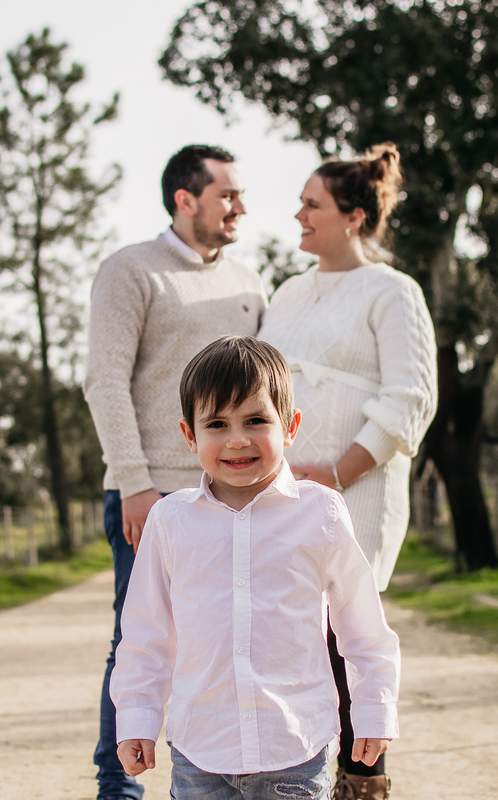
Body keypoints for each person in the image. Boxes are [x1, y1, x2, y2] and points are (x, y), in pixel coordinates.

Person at [110, 335, 401, 800]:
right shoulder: (170, 521)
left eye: (256, 420)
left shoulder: (321, 512)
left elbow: (363, 628)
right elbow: (146, 635)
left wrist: (373, 710)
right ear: (190, 436)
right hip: (200, 753)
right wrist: (137, 718)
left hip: (296, 751)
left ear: (290, 425)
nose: (237, 439)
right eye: (217, 424)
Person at [83, 145, 267, 800]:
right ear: (185, 200)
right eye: (227, 195)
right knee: (141, 645)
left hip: (235, 497)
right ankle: (121, 790)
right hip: (152, 492)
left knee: (226, 646)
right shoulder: (131, 271)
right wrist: (134, 480)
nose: (240, 206)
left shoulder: (249, 282)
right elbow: (104, 380)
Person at [257, 143, 437, 800]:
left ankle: (362, 784)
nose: (298, 214)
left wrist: (335, 471)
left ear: (354, 216)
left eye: (313, 204)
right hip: (285, 493)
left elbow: (409, 399)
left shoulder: (393, 292)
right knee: (294, 634)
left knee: (347, 639)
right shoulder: (286, 292)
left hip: (355, 490)